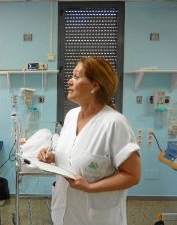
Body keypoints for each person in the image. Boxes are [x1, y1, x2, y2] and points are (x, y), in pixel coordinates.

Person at [37, 56, 141, 225]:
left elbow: (132, 175)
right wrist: (53, 156)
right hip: (63, 211)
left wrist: (90, 187)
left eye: (76, 77)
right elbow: (73, 153)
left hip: (97, 218)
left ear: (94, 86)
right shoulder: (71, 116)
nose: (70, 81)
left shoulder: (115, 123)